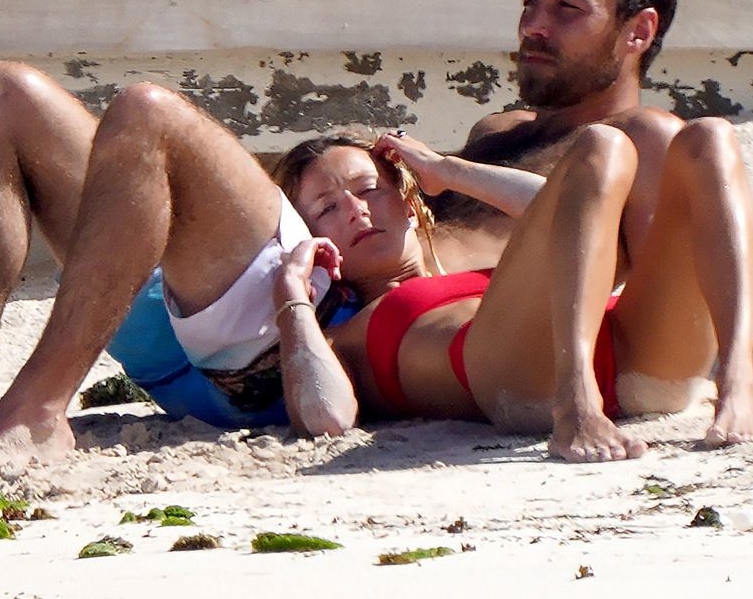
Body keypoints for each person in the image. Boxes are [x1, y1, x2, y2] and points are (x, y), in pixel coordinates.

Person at [0, 0, 753, 471]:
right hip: (275, 294)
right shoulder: (498, 128)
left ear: (637, 31)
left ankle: (40, 409)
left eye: (565, 7)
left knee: (150, 114)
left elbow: (615, 264)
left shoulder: (643, 139)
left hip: (320, 326)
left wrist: (441, 178)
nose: (532, 25)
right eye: (528, 1)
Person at [272, 129, 668, 459]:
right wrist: (293, 295)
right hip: (524, 384)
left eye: (370, 189)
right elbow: (328, 418)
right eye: (327, 209)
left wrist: (447, 170)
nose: (355, 209)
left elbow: (580, 211)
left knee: (690, 140)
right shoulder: (343, 338)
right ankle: (578, 400)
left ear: (409, 204)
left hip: (628, 353)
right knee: (600, 144)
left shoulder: (480, 259)